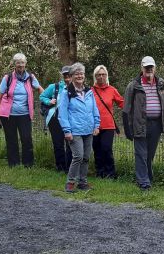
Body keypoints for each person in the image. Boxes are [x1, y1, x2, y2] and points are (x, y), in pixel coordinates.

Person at [122, 56, 164, 190]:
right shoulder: (134, 85)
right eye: (146, 67)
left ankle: (147, 178)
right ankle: (144, 183)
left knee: (150, 154)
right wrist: (127, 129)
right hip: (140, 124)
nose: (149, 69)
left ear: (155, 68)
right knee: (141, 154)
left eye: (151, 67)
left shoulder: (161, 84)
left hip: (156, 125)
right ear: (141, 68)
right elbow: (126, 109)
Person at [0, 53, 45, 167]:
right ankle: (13, 164)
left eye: (22, 62)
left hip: (25, 114)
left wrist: (47, 100)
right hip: (8, 115)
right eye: (18, 63)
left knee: (26, 139)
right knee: (11, 140)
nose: (20, 65)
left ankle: (28, 164)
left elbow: (40, 89)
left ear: (25, 64)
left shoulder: (30, 77)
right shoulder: (8, 78)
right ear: (14, 64)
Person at [58, 63, 101, 192]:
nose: (79, 76)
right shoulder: (66, 93)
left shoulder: (89, 91)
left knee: (86, 157)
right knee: (78, 156)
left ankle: (82, 183)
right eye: (76, 74)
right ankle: (70, 183)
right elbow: (62, 113)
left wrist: (96, 125)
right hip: (74, 130)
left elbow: (95, 109)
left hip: (88, 129)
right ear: (71, 77)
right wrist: (67, 130)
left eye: (81, 73)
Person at [91, 65, 124, 178]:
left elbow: (122, 103)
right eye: (98, 75)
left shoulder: (112, 90)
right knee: (97, 150)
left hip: (108, 126)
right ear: (95, 76)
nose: (101, 77)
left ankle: (110, 173)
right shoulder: (90, 91)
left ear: (106, 76)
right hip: (94, 126)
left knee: (106, 149)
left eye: (103, 74)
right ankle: (99, 173)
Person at [41, 66, 73, 172]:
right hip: (54, 118)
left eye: (69, 76)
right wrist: (48, 102)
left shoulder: (77, 88)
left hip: (70, 118)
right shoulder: (55, 87)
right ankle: (60, 167)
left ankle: (70, 168)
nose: (67, 78)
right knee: (58, 143)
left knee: (70, 143)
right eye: (65, 76)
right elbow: (42, 96)